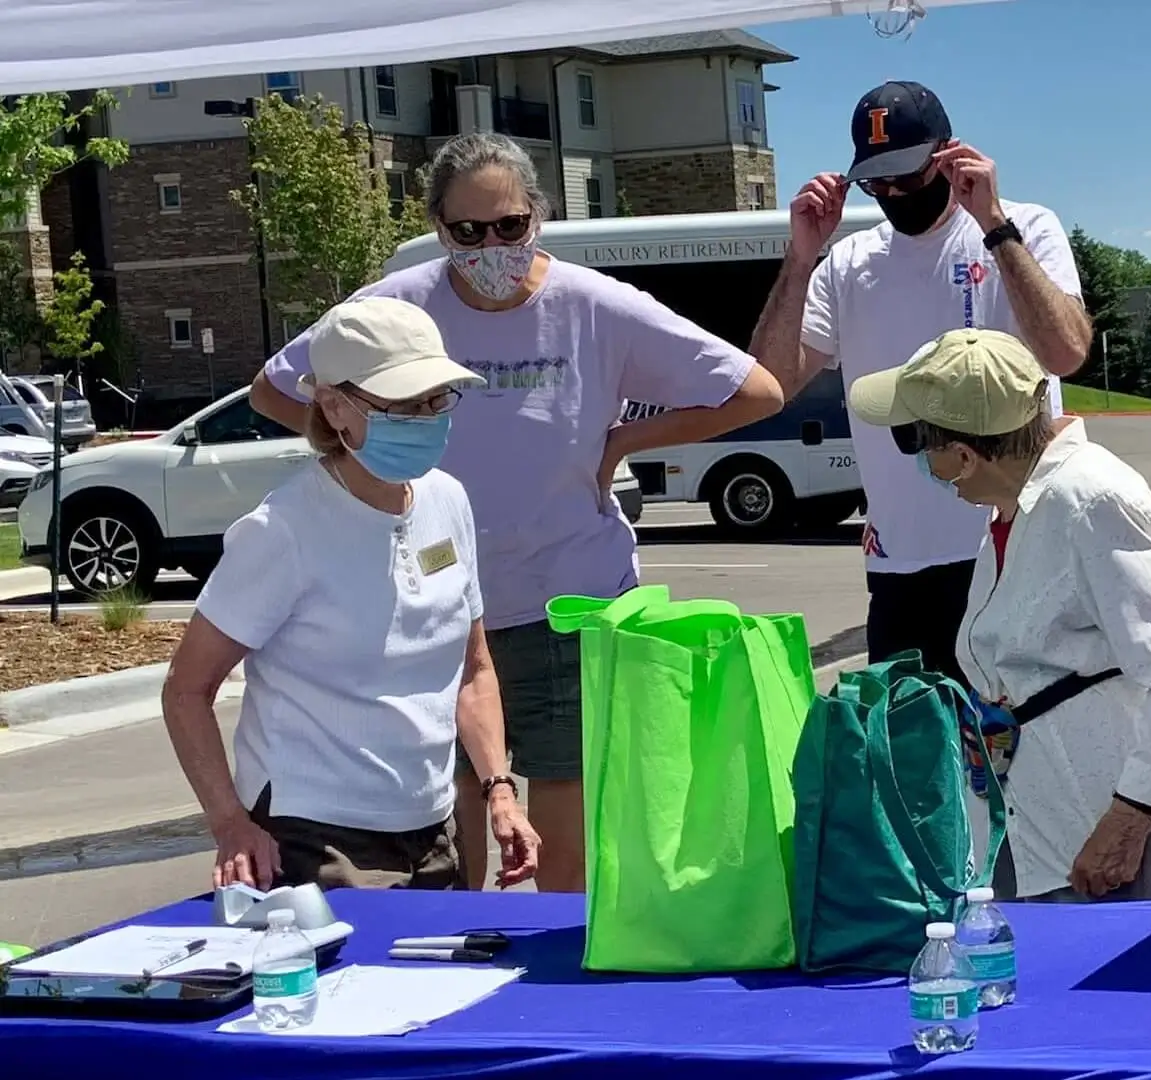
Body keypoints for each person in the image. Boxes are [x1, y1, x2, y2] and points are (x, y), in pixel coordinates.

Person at [247, 133, 785, 892]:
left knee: (561, 851)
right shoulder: (398, 306)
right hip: (433, 612)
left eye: (509, 226)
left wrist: (626, 437)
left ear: (539, 214)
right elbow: (275, 387)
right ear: (438, 227)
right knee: (452, 840)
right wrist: (358, 462)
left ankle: (557, 992)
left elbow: (755, 390)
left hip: (566, 605)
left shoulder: (594, 306)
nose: (490, 246)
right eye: (468, 232)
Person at [163, 297, 539, 891]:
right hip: (317, 837)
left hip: (433, 825)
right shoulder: (281, 530)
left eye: (436, 400)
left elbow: (473, 671)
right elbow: (187, 690)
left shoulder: (448, 501)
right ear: (335, 407)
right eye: (403, 405)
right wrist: (231, 824)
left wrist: (498, 789)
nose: (425, 417)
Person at [750, 81, 1092, 686]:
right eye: (876, 183)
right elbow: (771, 383)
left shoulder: (1025, 227)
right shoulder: (849, 263)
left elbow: (1066, 352)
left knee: (1026, 756)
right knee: (913, 763)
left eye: (906, 177)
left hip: (1017, 546)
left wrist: (993, 223)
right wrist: (801, 259)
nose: (892, 194)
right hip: (903, 563)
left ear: (948, 157)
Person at [847, 328, 1151, 902]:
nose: (923, 465)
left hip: (1096, 833)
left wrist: (1129, 819)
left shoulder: (1092, 502)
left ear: (963, 455)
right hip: (1038, 817)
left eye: (919, 445)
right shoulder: (1018, 504)